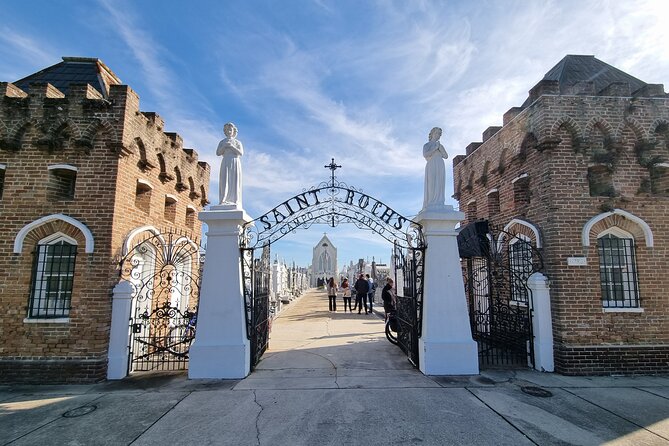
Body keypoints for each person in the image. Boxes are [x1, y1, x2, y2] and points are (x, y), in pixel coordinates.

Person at [217, 122, 244, 207]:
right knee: (224, 179)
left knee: (233, 180)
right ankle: (223, 199)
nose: (228, 131)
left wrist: (232, 146)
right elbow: (218, 153)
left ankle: (234, 200)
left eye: (230, 129)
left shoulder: (237, 142)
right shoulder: (222, 142)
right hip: (225, 161)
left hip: (234, 161)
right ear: (224, 131)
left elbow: (241, 153)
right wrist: (224, 146)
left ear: (233, 131)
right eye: (227, 130)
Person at [422, 127, 448, 210]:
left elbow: (446, 156)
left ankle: (439, 201)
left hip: (440, 164)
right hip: (431, 164)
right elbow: (426, 155)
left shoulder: (440, 145)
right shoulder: (427, 145)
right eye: (437, 133)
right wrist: (435, 148)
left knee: (439, 182)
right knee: (431, 183)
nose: (439, 135)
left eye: (440, 134)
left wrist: (440, 148)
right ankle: (431, 201)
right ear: (432, 134)